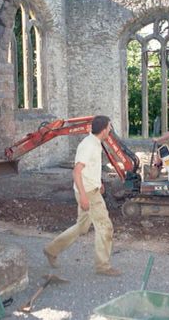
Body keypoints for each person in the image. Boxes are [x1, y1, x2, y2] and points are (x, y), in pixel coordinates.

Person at [43, 115, 121, 276]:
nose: (110, 130)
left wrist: (99, 183)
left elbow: (89, 168)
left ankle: (51, 250)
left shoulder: (95, 143)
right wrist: (84, 197)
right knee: (105, 227)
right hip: (88, 194)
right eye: (109, 127)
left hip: (91, 189)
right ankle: (103, 266)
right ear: (104, 129)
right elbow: (77, 171)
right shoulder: (89, 146)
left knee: (82, 226)